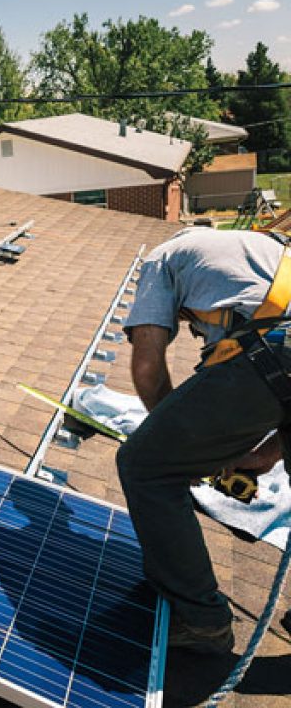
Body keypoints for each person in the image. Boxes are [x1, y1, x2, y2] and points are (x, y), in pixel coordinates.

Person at [118, 226, 290, 654]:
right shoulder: (259, 250)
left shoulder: (163, 258)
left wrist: (175, 444)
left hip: (275, 353)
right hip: (280, 358)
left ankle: (201, 619)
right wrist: (267, 453)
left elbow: (147, 366)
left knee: (145, 467)